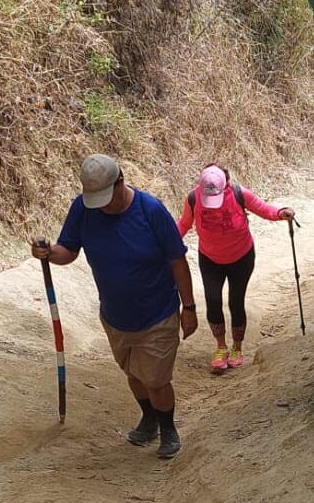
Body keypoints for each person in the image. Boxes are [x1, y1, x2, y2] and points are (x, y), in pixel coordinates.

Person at [32, 154, 199, 459]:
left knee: (157, 380)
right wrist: (48, 253)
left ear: (120, 181)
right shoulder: (83, 208)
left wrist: (188, 307)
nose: (103, 206)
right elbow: (68, 250)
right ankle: (148, 419)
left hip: (157, 313)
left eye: (107, 198)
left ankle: (168, 428)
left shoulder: (151, 211)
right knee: (133, 373)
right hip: (115, 315)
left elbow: (177, 259)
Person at [176, 164, 295, 373]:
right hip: (210, 258)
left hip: (241, 257)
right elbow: (184, 224)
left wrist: (280, 212)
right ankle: (221, 347)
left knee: (235, 301)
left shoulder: (240, 194)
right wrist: (166, 243)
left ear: (226, 185)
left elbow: (262, 208)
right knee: (212, 300)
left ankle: (237, 348)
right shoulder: (193, 199)